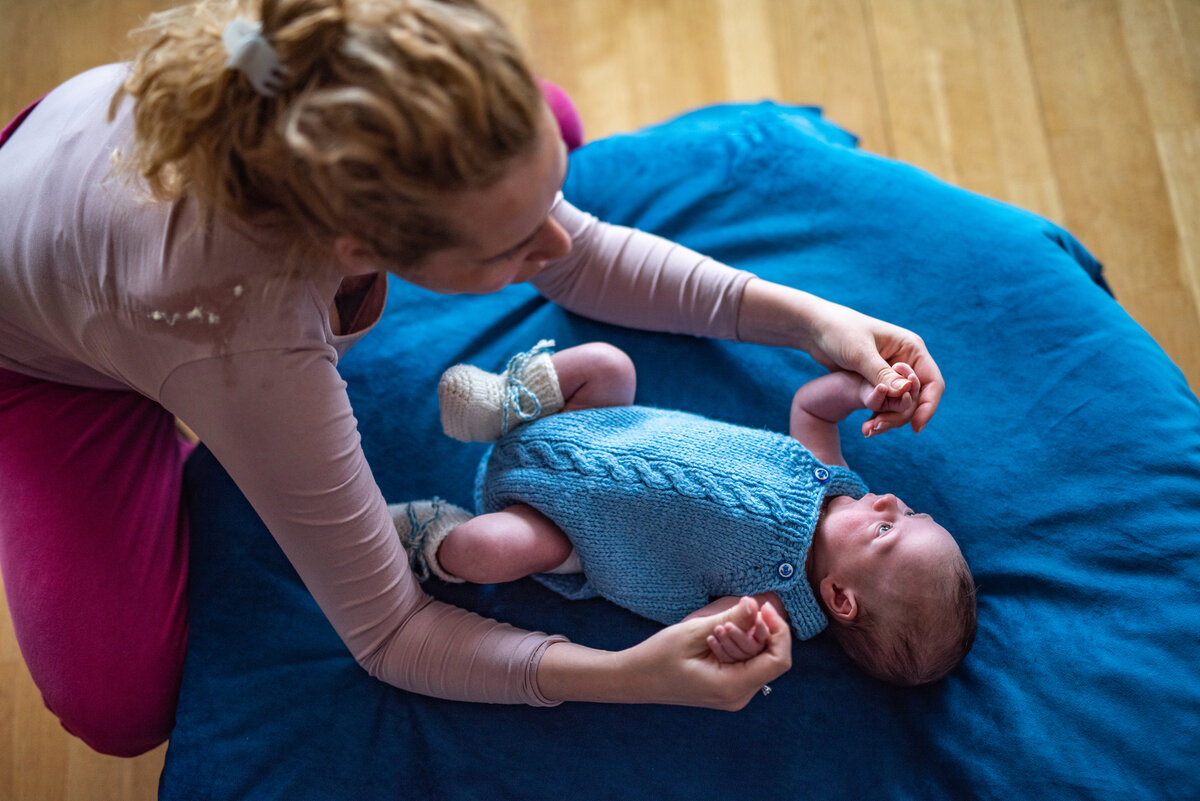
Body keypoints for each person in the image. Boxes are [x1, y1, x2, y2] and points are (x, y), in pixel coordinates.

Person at [0, 0, 944, 757]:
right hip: (53, 351)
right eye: (519, 241)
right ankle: (164, 390)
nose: (562, 240)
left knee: (550, 141)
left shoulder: (318, 61)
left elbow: (585, 258)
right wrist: (627, 674)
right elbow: (390, 637)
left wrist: (819, 321)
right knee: (115, 703)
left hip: (84, 181)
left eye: (548, 202)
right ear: (360, 247)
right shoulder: (249, 345)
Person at [394, 340, 975, 685]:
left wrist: (733, 644)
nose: (890, 500)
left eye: (885, 529)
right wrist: (864, 394)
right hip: (589, 422)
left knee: (488, 552)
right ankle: (501, 404)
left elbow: (691, 635)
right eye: (909, 509)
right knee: (609, 363)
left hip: (565, 528)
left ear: (840, 598)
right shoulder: (831, 479)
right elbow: (810, 409)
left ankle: (431, 535)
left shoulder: (773, 606)